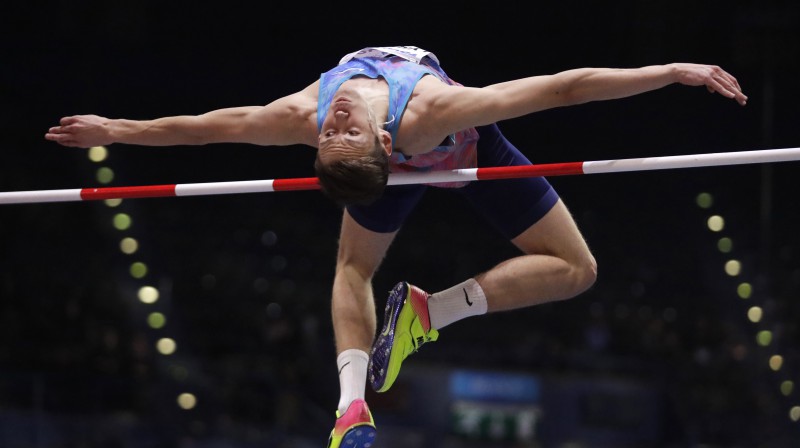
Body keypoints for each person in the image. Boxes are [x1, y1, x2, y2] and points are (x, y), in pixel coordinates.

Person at [45, 45, 747, 447]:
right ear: (383, 150)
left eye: (336, 133)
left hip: (465, 151)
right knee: (351, 268)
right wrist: (119, 130)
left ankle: (427, 314)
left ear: (384, 144)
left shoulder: (385, 114)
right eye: (335, 133)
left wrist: (670, 73)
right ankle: (352, 406)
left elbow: (563, 88)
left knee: (578, 270)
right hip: (426, 161)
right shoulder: (369, 120)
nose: (334, 124)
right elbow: (206, 129)